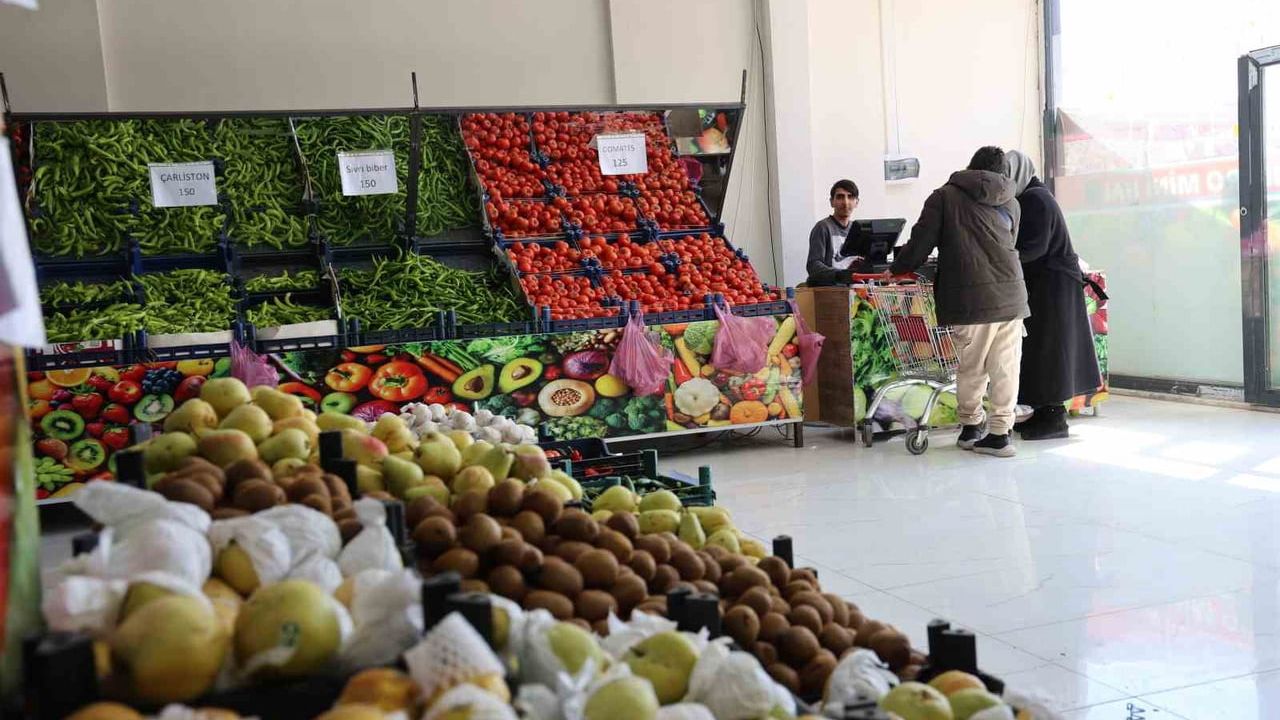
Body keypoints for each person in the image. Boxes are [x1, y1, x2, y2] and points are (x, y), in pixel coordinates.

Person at [889, 146, 1027, 457]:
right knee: (1005, 368)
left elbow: (920, 244)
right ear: (1004, 173)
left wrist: (896, 268)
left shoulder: (944, 197)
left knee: (972, 367)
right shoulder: (1012, 201)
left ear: (970, 167)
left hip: (970, 297)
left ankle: (970, 427)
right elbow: (1008, 243)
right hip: (1011, 296)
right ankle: (1000, 434)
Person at [1004, 151, 1100, 440]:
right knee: (1041, 350)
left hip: (1053, 287)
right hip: (1047, 285)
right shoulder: (1031, 196)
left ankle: (1055, 419)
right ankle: (1044, 413)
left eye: (1006, 177)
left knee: (1051, 351)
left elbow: (1035, 246)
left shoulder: (1036, 200)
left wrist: (1002, 259)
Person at [805, 179, 870, 285]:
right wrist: (840, 275)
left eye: (850, 197)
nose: (845, 202)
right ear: (832, 202)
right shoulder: (823, 227)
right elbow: (813, 265)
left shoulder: (859, 229)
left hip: (857, 289)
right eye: (840, 197)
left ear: (856, 202)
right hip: (832, 290)